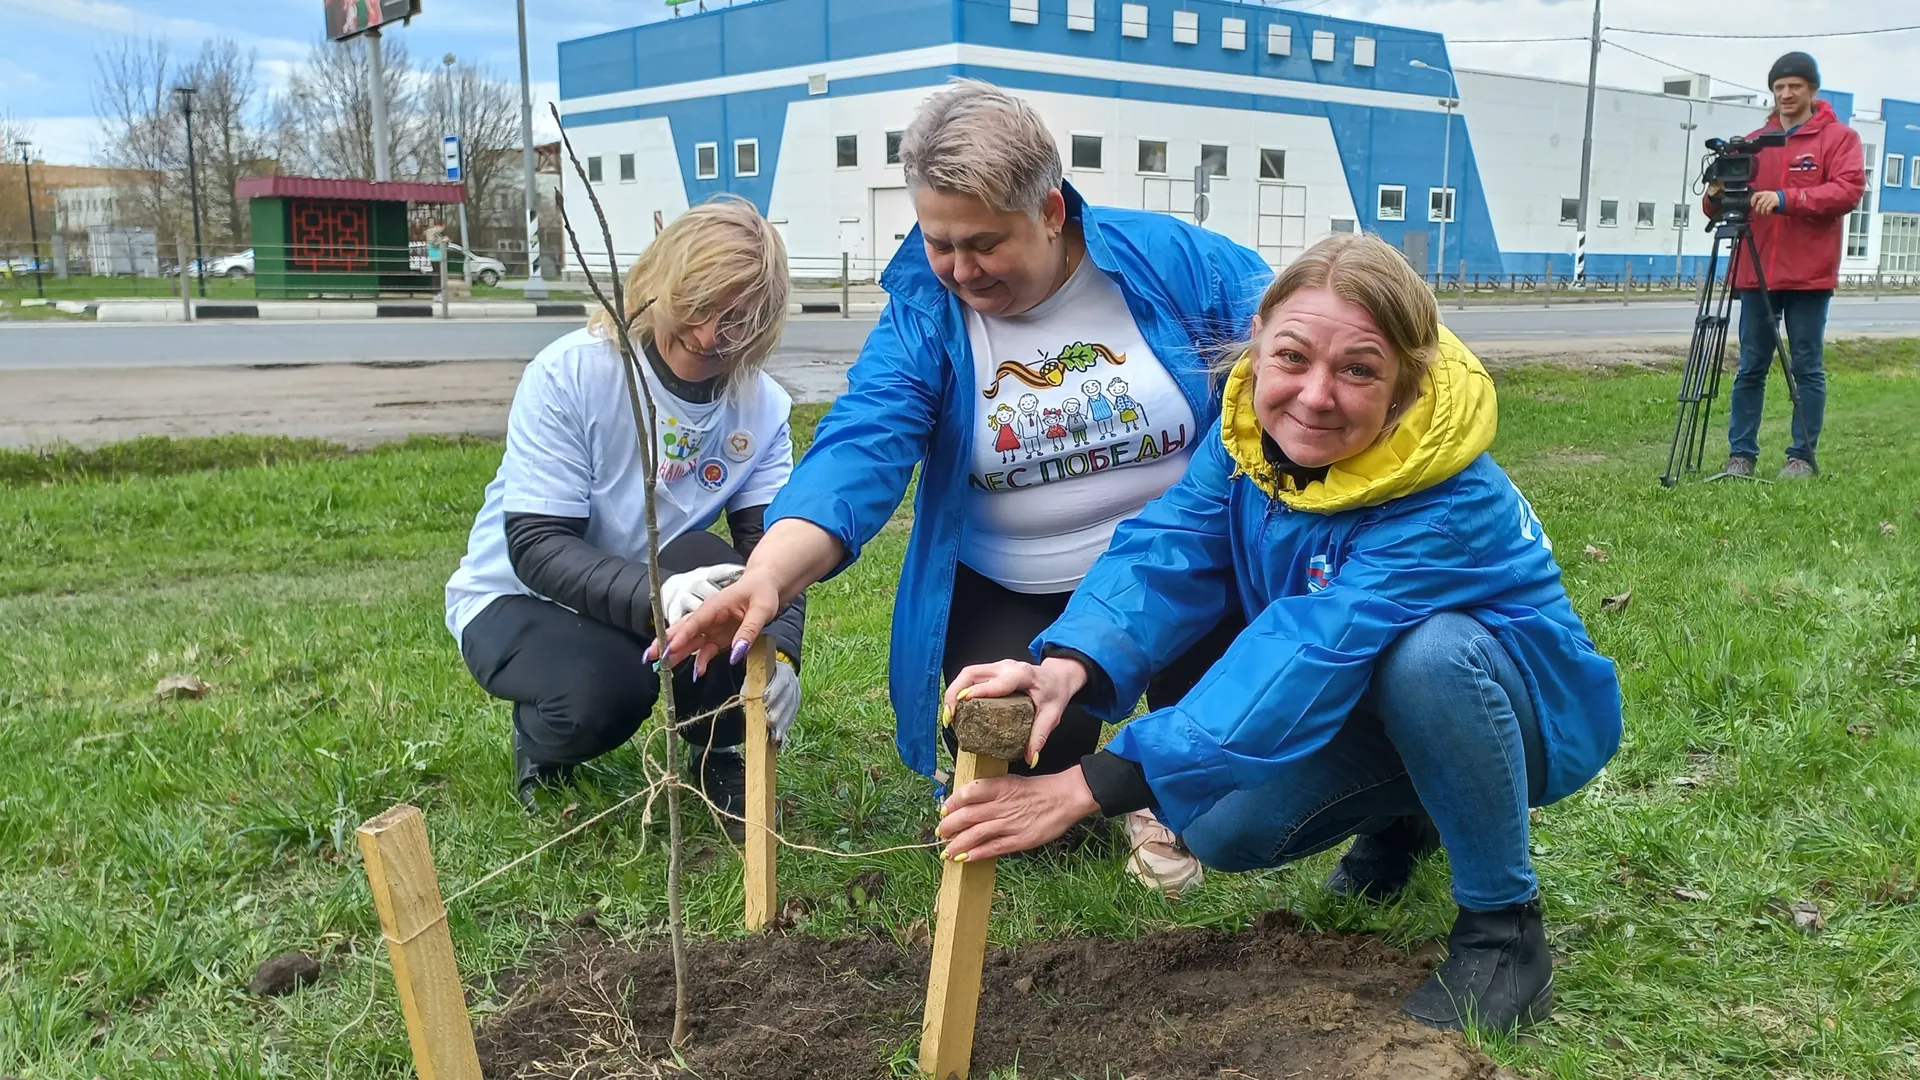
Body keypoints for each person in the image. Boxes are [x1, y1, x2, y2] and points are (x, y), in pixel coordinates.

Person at [936, 233, 1623, 1033]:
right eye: (1293, 357)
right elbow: (1166, 554)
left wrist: (1090, 785)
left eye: (1359, 369)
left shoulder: (1446, 501)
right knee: (1217, 826)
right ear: (1258, 340)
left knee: (1428, 658)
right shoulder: (1243, 448)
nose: (1316, 395)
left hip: (1526, 719)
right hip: (1370, 697)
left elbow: (1308, 647)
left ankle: (1505, 928)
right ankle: (1411, 816)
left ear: (1406, 381)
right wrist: (1067, 663)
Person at [657, 79, 1272, 891]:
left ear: (1051, 212)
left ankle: (1152, 783)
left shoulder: (1182, 267)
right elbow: (863, 444)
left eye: (982, 242)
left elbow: (1294, 354)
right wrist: (768, 572)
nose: (957, 268)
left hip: (1183, 572)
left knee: (1238, 808)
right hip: (1021, 581)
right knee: (1015, 802)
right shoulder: (925, 310)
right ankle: (1101, 769)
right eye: (937, 240)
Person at [445, 195, 806, 836]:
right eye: (693, 311)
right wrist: (656, 594)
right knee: (608, 688)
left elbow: (776, 552)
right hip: (522, 598)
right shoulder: (572, 375)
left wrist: (780, 658)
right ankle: (543, 743)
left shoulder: (764, 408)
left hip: (655, 589)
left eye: (732, 325)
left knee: (725, 577)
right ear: (659, 286)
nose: (703, 338)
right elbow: (535, 544)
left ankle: (721, 746)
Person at [1706, 51, 1864, 480]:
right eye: (1778, 87)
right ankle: (1741, 455)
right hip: (1755, 273)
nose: (1786, 94)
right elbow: (1714, 208)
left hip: (1810, 276)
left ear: (1812, 90)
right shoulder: (1754, 142)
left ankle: (1801, 457)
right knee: (1750, 367)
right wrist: (1717, 189)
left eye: (1794, 86)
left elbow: (1848, 191)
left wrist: (1787, 199)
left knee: (1807, 366)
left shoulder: (1838, 139)